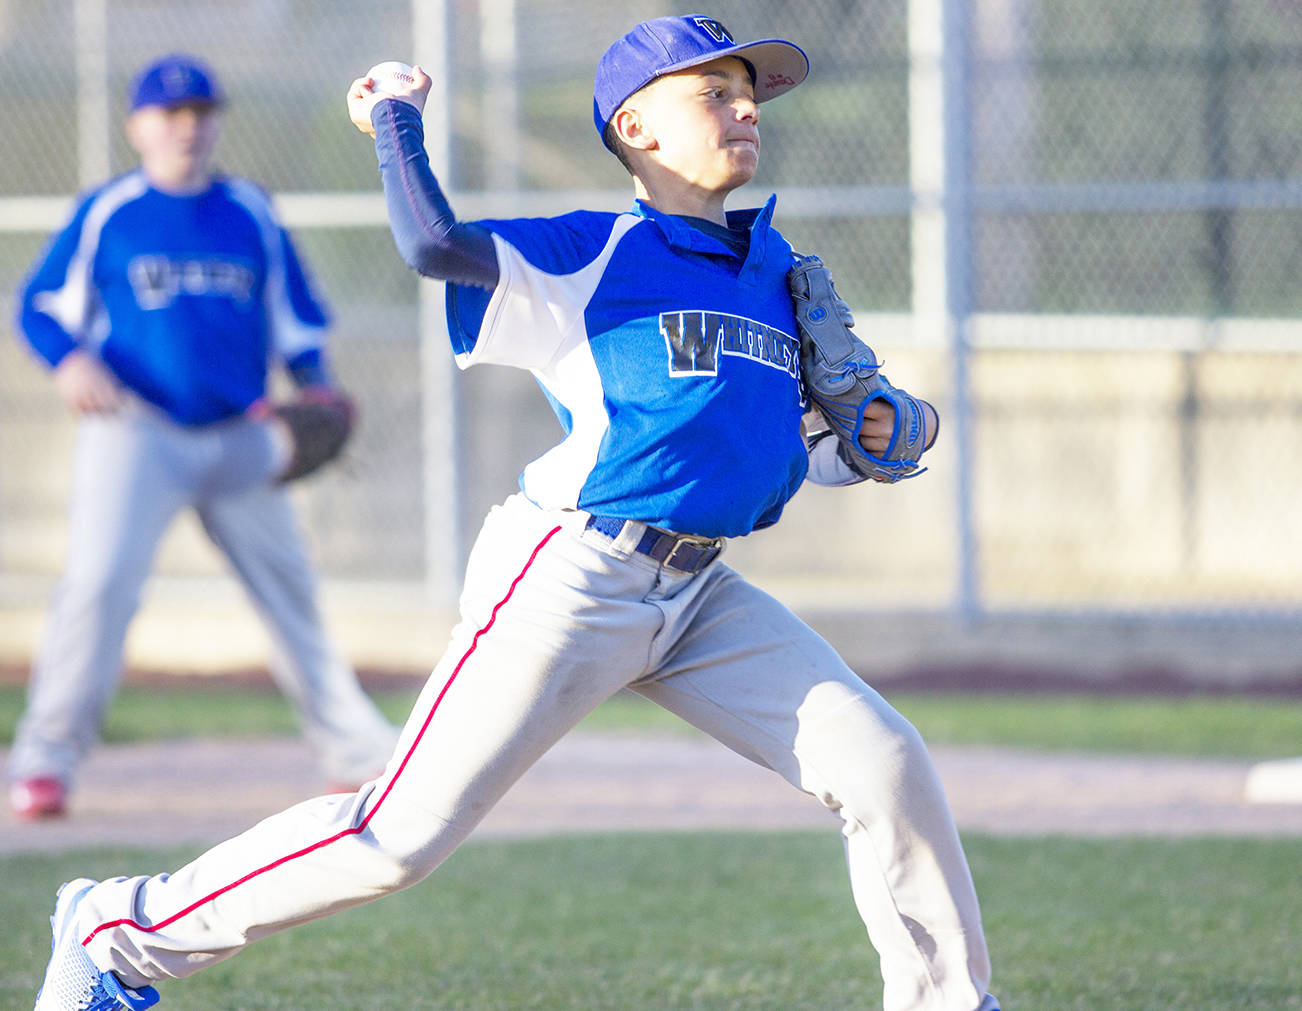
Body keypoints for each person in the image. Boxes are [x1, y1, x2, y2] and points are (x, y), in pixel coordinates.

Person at [32, 19, 1000, 1011]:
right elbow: (433, 245)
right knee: (391, 840)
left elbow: (796, 444)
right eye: (713, 91)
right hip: (572, 577)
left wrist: (892, 431)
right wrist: (396, 122)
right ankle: (118, 931)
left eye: (750, 91)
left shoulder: (773, 273)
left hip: (703, 595)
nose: (746, 105)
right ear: (638, 127)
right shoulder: (593, 253)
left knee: (882, 760)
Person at [8, 53, 399, 822]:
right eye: (170, 113)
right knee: (97, 588)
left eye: (201, 112)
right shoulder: (111, 209)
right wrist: (69, 360)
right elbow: (38, 305)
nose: (187, 126)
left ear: (216, 122)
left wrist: (315, 385)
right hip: (135, 429)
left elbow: (296, 323)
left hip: (240, 432)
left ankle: (357, 753)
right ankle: (45, 761)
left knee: (290, 592)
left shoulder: (248, 210)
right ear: (138, 126)